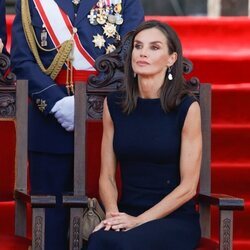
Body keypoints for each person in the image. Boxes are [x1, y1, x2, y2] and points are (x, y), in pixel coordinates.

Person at [10, 0, 144, 249]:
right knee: (51, 224)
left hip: (108, 122)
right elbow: (21, 59)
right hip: (49, 123)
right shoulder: (32, 2)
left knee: (111, 223)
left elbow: (133, 52)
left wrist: (91, 102)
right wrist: (56, 102)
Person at [87, 20, 202, 250]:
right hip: (127, 211)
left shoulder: (187, 107)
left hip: (173, 219)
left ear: (171, 59)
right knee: (100, 240)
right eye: (138, 46)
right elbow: (107, 176)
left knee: (126, 245)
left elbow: (188, 187)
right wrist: (112, 215)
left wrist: (139, 221)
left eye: (154, 47)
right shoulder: (115, 105)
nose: (143, 53)